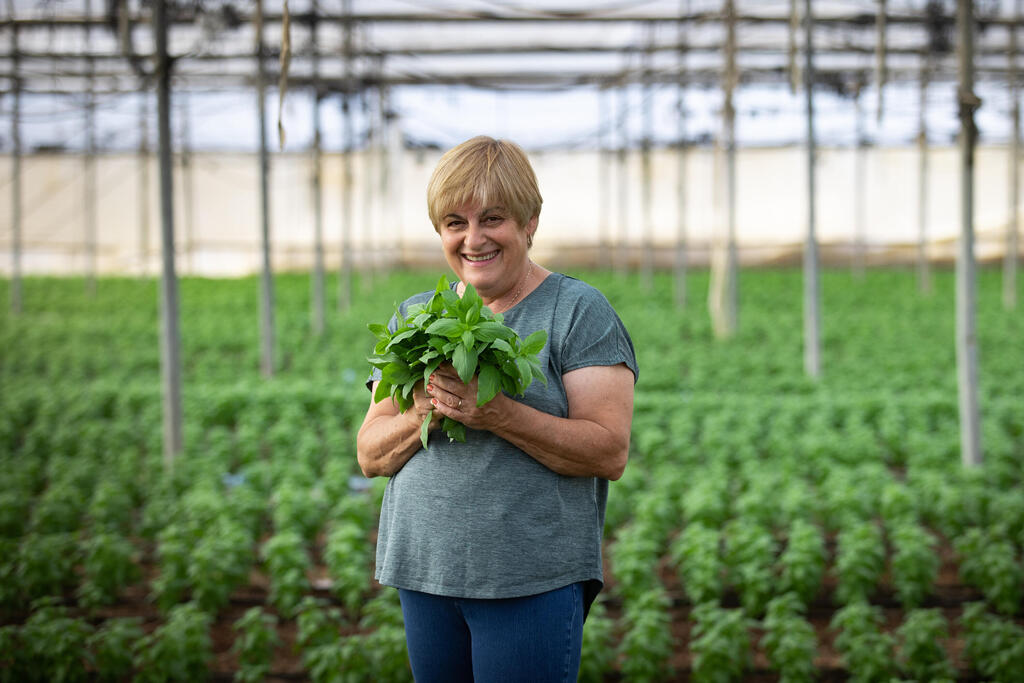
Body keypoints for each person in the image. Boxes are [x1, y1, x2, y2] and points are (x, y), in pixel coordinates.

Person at [356, 135, 638, 683]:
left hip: (529, 579)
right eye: (455, 222)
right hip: (425, 573)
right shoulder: (418, 317)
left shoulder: (577, 311)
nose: (474, 238)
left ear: (530, 222)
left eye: (493, 218)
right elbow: (370, 453)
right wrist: (424, 413)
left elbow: (609, 450)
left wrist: (498, 414)